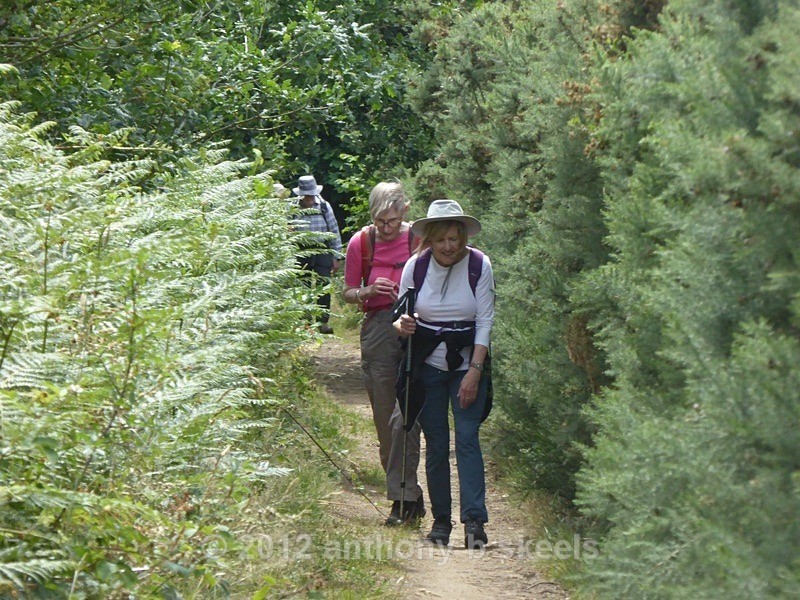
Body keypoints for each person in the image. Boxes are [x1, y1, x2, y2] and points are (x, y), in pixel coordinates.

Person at [393, 199, 495, 549]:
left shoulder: (479, 265)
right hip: (428, 366)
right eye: (441, 240)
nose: (449, 246)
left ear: (463, 237)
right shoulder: (416, 267)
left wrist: (475, 372)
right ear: (430, 240)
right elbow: (401, 315)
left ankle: (474, 521)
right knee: (435, 443)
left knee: (467, 438)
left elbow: (485, 320)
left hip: (468, 363)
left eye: (455, 239)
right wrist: (403, 325)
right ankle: (440, 521)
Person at [342, 182, 425, 525]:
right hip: (378, 328)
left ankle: (402, 499)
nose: (386, 228)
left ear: (405, 210)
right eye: (380, 221)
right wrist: (368, 290)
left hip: (417, 327)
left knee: (406, 415)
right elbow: (348, 291)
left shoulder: (419, 239)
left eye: (392, 220)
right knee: (384, 418)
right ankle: (407, 494)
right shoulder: (362, 242)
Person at [292, 175, 342, 334]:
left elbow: (334, 230)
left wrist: (337, 256)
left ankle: (323, 323)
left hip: (323, 250)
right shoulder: (292, 208)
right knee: (303, 287)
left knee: (323, 286)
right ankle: (306, 324)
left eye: (310, 194)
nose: (308, 198)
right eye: (306, 195)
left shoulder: (324, 206)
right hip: (301, 251)